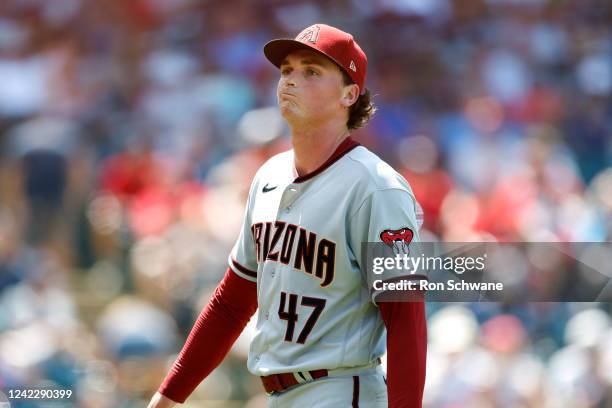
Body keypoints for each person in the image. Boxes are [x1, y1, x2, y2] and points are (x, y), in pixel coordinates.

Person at [148, 23, 427, 408]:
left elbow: (405, 318)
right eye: (287, 70)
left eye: (311, 71)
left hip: (342, 389)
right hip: (279, 395)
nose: (291, 81)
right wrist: (169, 395)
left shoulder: (375, 187)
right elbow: (232, 301)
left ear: (349, 94)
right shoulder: (269, 175)